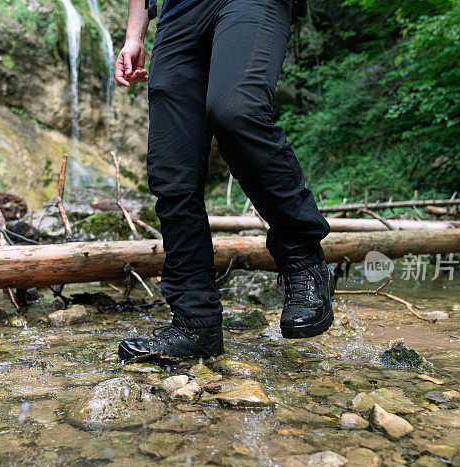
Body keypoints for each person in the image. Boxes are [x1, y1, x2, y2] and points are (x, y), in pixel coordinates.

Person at [115, 0, 334, 363]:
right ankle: (194, 324)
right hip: (175, 16)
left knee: (236, 110)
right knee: (171, 170)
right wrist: (134, 34)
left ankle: (301, 257)